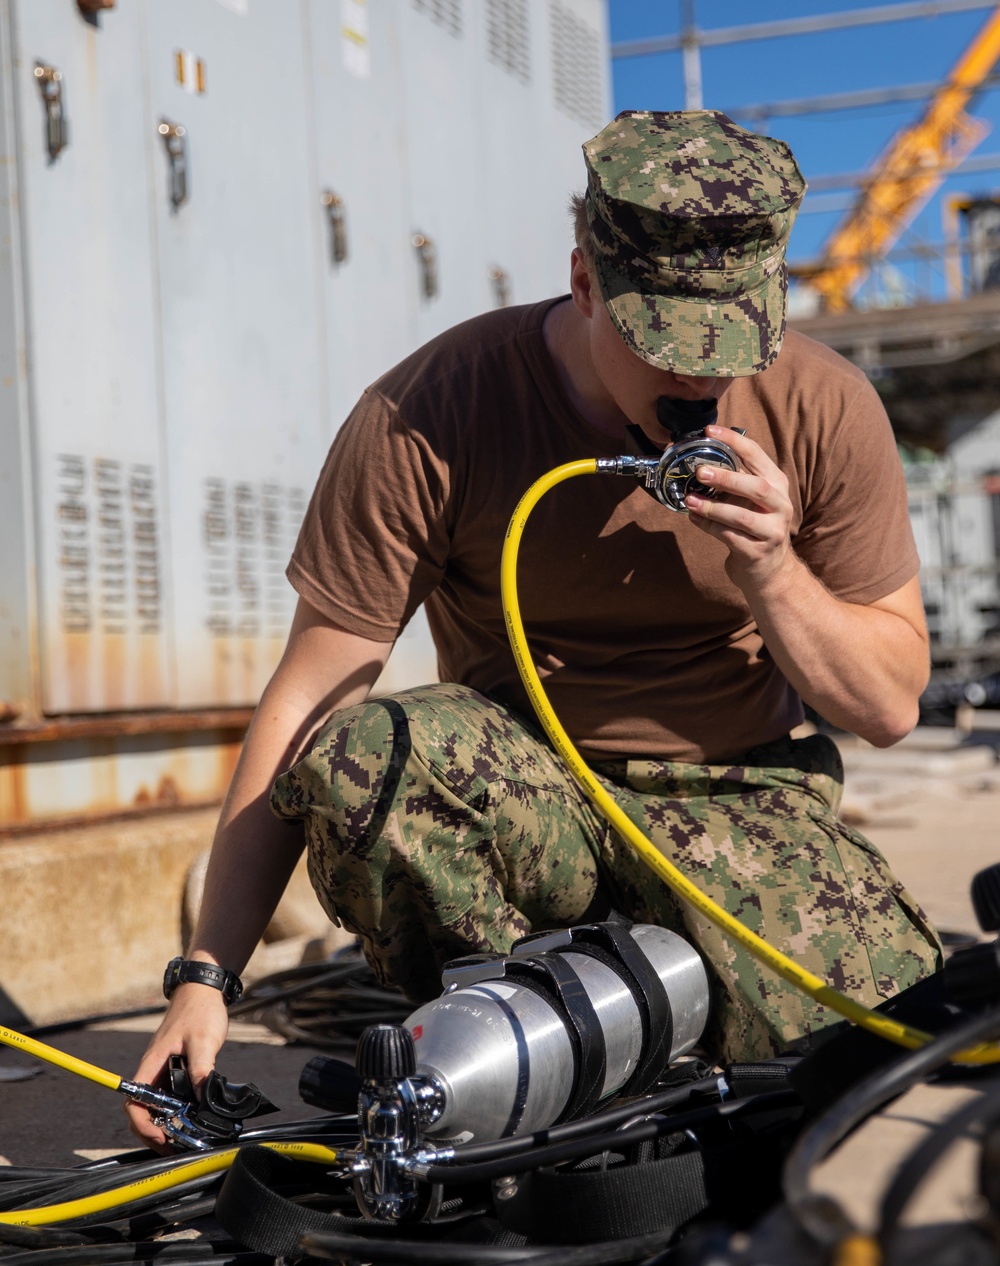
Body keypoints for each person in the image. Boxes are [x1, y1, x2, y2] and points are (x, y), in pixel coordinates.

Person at [128, 110, 940, 1147]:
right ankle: (494, 1036)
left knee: (876, 1020)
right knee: (368, 757)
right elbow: (311, 700)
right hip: (527, 797)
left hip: (738, 798)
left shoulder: (824, 407)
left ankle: (623, 997)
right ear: (584, 282)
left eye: (727, 346)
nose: (698, 380)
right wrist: (206, 979)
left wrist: (772, 566)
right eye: (664, 345)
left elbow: (887, 706)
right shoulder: (432, 409)